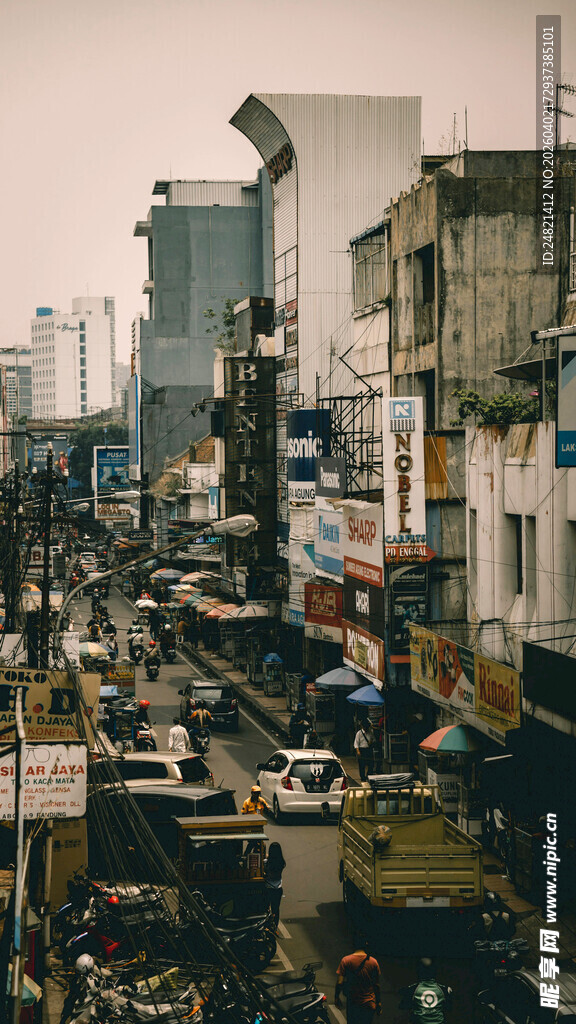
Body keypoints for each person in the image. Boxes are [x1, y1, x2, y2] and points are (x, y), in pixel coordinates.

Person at [335, 943, 381, 1023]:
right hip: (369, 1004)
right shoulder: (373, 962)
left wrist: (336, 997)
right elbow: (376, 985)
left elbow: (339, 982)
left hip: (353, 1003)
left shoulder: (346, 960)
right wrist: (379, 1002)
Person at [399, 958, 452, 1024]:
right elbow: (449, 1008)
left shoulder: (412, 989)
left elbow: (402, 1006)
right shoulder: (445, 989)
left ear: (419, 971)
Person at [264, 841, 286, 930]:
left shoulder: (266, 863)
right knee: (276, 909)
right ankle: (275, 927)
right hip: (278, 889)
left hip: (268, 888)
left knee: (266, 908)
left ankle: (266, 926)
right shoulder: (281, 863)